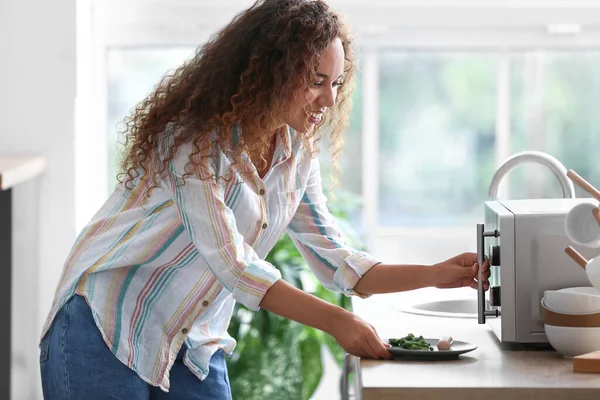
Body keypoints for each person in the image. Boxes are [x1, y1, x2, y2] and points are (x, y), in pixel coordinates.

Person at [39, 0, 490, 398]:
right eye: (316, 80)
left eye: (336, 83)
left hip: (194, 343)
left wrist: (435, 273)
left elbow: (335, 259)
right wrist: (337, 321)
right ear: (274, 69)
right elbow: (234, 264)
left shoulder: (296, 154)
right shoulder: (191, 141)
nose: (329, 99)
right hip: (106, 325)